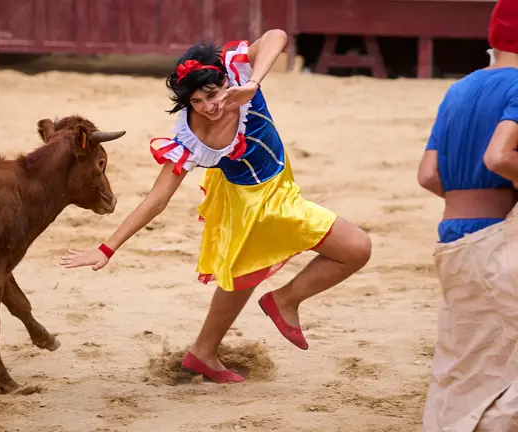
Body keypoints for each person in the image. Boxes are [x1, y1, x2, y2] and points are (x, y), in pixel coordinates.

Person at [60, 28, 371, 384]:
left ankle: (203, 352)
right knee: (357, 247)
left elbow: (277, 35)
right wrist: (107, 248)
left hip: (259, 190)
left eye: (212, 94)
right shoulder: (189, 139)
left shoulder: (238, 75)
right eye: (196, 101)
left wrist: (253, 82)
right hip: (262, 202)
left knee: (245, 272)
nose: (208, 108)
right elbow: (157, 199)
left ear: (225, 80)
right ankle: (284, 301)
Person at [416, 0, 518, 429]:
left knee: (466, 360)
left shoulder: (458, 89)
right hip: (498, 238)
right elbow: (499, 156)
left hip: (452, 237)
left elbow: (427, 175)